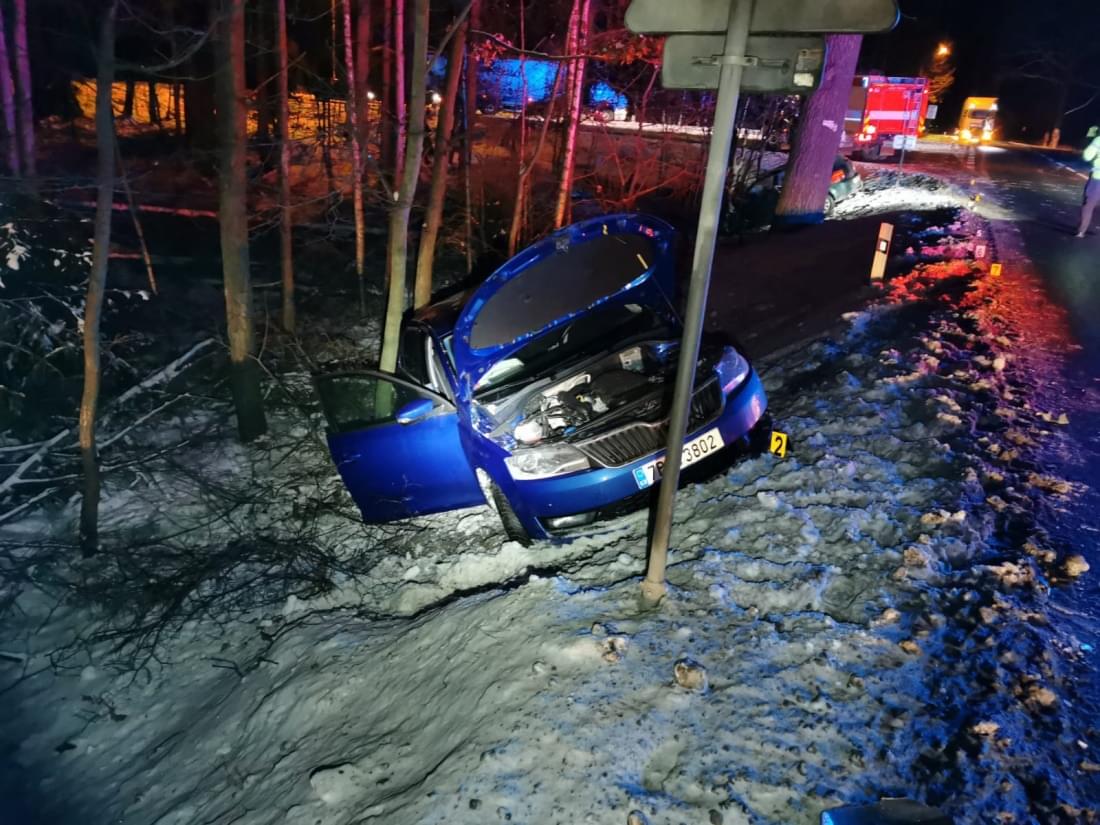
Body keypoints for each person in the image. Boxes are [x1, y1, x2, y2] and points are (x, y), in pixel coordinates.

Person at [1076, 131, 1100, 238]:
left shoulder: (1099, 140)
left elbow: (1087, 156)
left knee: (1089, 205)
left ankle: (1081, 231)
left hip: (1098, 178)